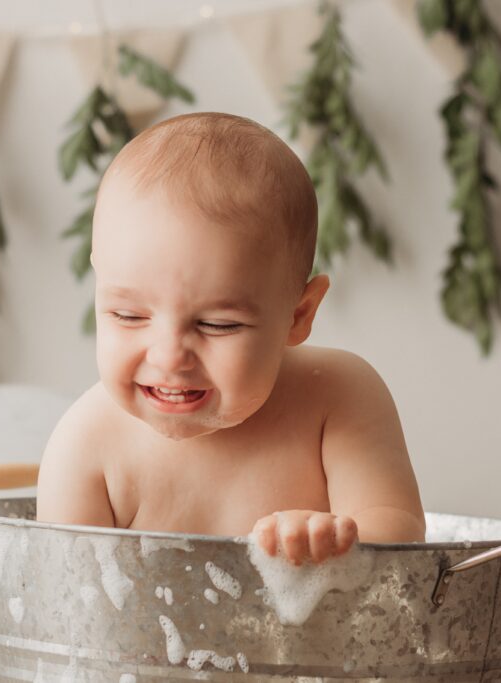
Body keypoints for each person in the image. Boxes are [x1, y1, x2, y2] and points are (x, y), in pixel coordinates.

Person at [37, 112, 424, 565]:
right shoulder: (87, 443)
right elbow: (65, 607)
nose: (168, 357)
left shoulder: (337, 397)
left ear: (299, 315)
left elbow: (401, 540)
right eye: (128, 315)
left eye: (217, 325)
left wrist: (338, 544)